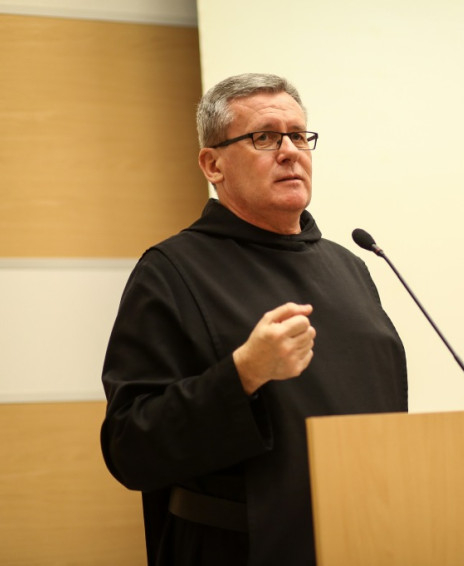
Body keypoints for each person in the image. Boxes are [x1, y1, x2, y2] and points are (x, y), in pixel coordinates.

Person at [100, 73, 408, 566]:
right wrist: (243, 374)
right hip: (241, 549)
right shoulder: (171, 271)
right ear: (213, 164)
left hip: (370, 539)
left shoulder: (350, 266)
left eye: (299, 136)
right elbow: (130, 446)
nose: (290, 152)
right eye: (264, 137)